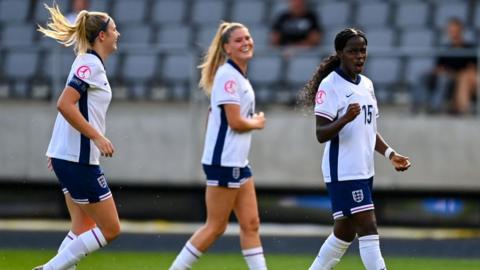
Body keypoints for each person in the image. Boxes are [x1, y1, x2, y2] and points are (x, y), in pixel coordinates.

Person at [298, 28, 411, 270]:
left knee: (344, 233)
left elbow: (369, 129)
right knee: (368, 229)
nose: (359, 56)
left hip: (364, 170)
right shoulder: (330, 86)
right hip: (344, 171)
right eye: (353, 52)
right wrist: (344, 119)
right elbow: (321, 133)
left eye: (363, 51)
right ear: (340, 54)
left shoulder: (367, 85)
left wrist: (391, 154)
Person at [169, 22, 267, 270]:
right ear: (226, 48)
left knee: (251, 223)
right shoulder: (228, 76)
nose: (246, 42)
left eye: (248, 37)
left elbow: (213, 118)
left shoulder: (235, 75)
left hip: (236, 161)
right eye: (238, 40)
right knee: (215, 227)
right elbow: (234, 121)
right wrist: (256, 123)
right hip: (225, 162)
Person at [34, 3, 120, 270]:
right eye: (114, 29)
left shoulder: (88, 63)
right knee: (111, 229)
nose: (119, 34)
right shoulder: (89, 64)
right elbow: (65, 103)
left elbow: (69, 106)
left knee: (83, 227)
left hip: (69, 157)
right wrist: (97, 137)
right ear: (102, 36)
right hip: (78, 160)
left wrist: (57, 147)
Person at [411, 17, 477, 115]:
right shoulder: (446, 48)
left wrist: (453, 74)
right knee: (422, 76)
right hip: (445, 74)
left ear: (460, 31)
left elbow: (471, 70)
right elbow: (440, 66)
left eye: (454, 30)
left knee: (443, 78)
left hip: (459, 77)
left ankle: (435, 107)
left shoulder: (469, 49)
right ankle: (416, 105)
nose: (452, 33)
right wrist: (435, 71)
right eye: (450, 30)